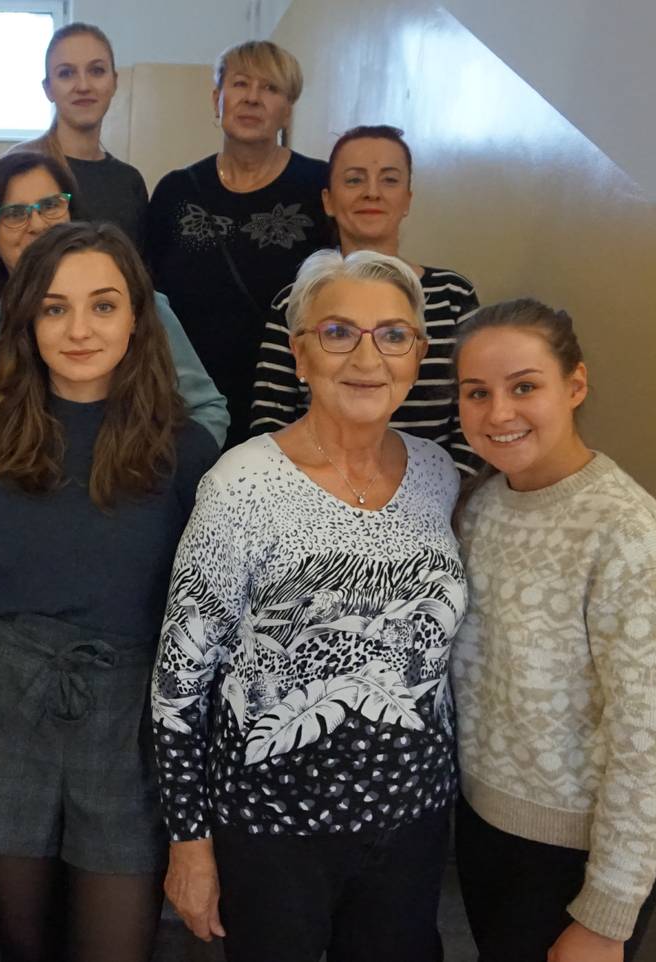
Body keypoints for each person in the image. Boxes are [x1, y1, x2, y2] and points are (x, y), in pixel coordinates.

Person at [152, 250, 467, 962]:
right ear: (300, 355)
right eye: (337, 332)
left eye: (393, 335)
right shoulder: (241, 484)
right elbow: (179, 681)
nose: (367, 357)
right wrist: (189, 843)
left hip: (412, 824)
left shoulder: (437, 473)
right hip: (273, 830)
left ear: (417, 356)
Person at [0, 223, 218, 962]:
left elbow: (197, 618)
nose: (80, 329)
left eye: (103, 305)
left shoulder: (188, 451)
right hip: (9, 700)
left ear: (137, 318)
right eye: (55, 308)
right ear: (27, 322)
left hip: (132, 712)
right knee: (23, 945)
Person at [450, 299, 656, 962]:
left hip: (577, 858)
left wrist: (606, 916)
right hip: (485, 830)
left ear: (575, 385)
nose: (499, 413)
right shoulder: (479, 506)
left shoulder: (626, 536)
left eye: (524, 387)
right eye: (477, 392)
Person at [0, 151, 229, 447]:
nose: (37, 224)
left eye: (51, 205)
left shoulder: (145, 306)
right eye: (15, 213)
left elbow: (206, 411)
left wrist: (162, 470)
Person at [250, 125, 481, 473]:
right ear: (328, 200)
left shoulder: (453, 296)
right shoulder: (293, 301)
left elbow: (476, 411)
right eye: (354, 180)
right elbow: (271, 420)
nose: (372, 193)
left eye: (389, 180)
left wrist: (449, 493)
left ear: (407, 199)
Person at [146, 40, 329, 448]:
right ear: (217, 98)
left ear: (287, 108)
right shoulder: (176, 191)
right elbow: (148, 298)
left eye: (270, 88)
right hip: (186, 404)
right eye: (241, 83)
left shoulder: (319, 186)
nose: (252, 98)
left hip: (288, 405)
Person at [11, 22, 148, 251]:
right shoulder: (19, 167)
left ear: (114, 82)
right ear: (48, 89)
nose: (83, 86)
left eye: (97, 71)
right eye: (66, 73)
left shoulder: (129, 182)